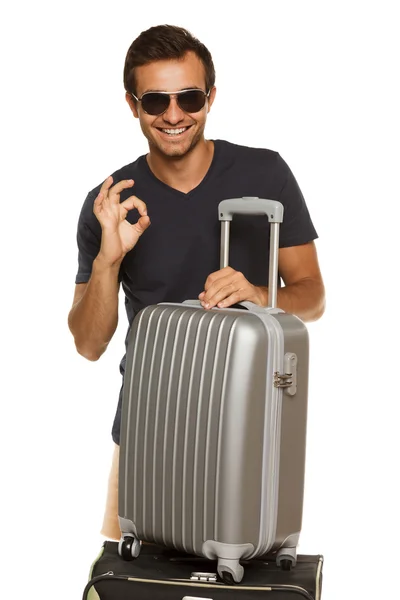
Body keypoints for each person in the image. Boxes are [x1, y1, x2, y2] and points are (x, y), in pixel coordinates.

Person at [68, 24, 325, 541]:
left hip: (246, 426)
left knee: (243, 580)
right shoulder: (111, 204)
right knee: (128, 584)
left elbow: (313, 296)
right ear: (132, 104)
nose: (174, 114)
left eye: (188, 97)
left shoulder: (266, 173)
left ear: (210, 96)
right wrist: (108, 260)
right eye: (155, 100)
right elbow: (89, 344)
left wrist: (258, 293)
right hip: (147, 429)